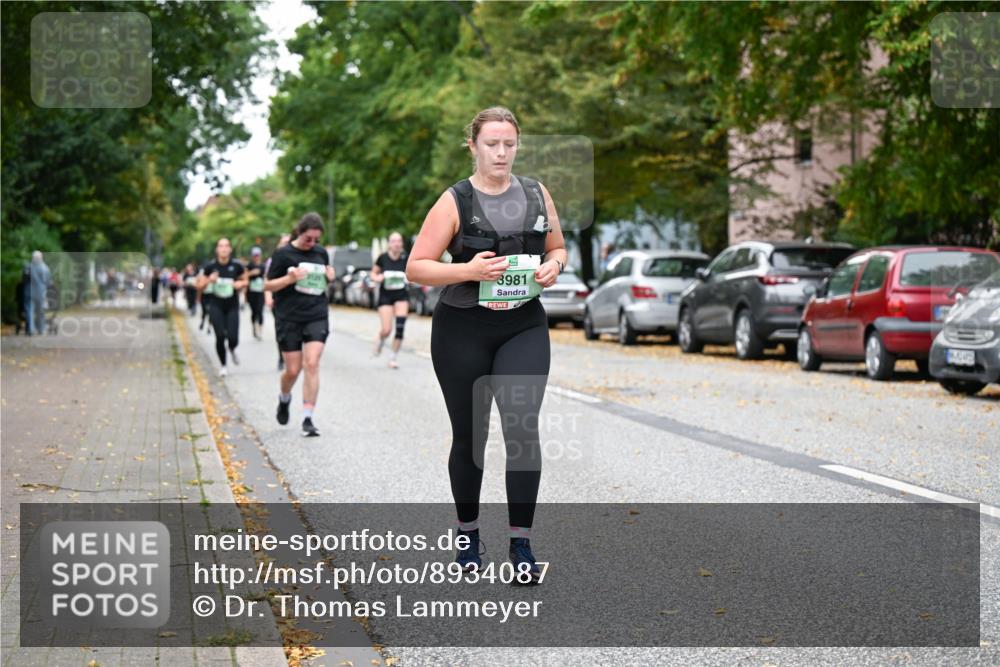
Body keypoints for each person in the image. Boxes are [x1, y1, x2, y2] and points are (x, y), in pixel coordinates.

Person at [406, 107, 567, 582]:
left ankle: (521, 545)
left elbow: (557, 248)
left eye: (509, 144)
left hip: (523, 326)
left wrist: (554, 266)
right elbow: (417, 266)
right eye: (492, 143)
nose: (501, 152)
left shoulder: (537, 194)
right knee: (471, 437)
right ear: (473, 146)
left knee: (521, 432)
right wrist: (469, 271)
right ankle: (469, 539)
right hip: (463, 329)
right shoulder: (455, 201)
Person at [265, 214, 335, 437]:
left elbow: (324, 279)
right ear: (299, 232)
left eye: (316, 239)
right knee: (292, 370)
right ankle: (284, 398)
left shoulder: (320, 253)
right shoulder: (283, 254)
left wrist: (330, 277)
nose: (312, 244)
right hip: (289, 317)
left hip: (316, 313)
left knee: (312, 363)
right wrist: (289, 279)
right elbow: (268, 285)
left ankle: (307, 418)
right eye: (308, 239)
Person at [197, 238, 247, 377]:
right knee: (219, 335)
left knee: (233, 337)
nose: (224, 249)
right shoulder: (210, 267)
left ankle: (232, 348)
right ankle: (223, 365)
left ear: (230, 249)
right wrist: (209, 280)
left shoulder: (236, 265)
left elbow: (245, 280)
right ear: (217, 250)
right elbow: (199, 286)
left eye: (226, 246)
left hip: (232, 305)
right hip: (216, 304)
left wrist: (240, 284)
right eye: (221, 246)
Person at [370, 232, 410, 369]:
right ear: (389, 244)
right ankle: (381, 338)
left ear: (402, 243)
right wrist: (378, 278)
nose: (397, 244)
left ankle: (393, 357)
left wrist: (410, 278)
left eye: (399, 241)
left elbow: (413, 273)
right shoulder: (383, 258)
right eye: (393, 241)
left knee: (400, 327)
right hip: (386, 296)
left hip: (401, 296)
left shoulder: (406, 258)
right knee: (387, 329)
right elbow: (373, 273)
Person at [265, 234, 292, 370]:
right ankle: (281, 358)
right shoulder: (272, 260)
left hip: (294, 302)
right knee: (281, 331)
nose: (286, 245)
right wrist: (268, 297)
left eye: (288, 242)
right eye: (283, 243)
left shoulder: (297, 258)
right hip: (278, 302)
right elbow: (267, 281)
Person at [29, 251, 52, 335]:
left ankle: (31, 329)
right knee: (40, 312)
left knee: (31, 311)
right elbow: (48, 281)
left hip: (30, 292)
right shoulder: (45, 268)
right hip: (41, 292)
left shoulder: (30, 267)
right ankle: (41, 329)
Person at [246, 247, 266, 340]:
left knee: (260, 310)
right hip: (251, 292)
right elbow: (244, 276)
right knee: (254, 311)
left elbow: (267, 277)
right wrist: (251, 273)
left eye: (258, 255)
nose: (256, 257)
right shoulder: (249, 266)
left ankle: (260, 331)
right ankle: (254, 327)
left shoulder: (263, 266)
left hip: (261, 292)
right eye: (255, 255)